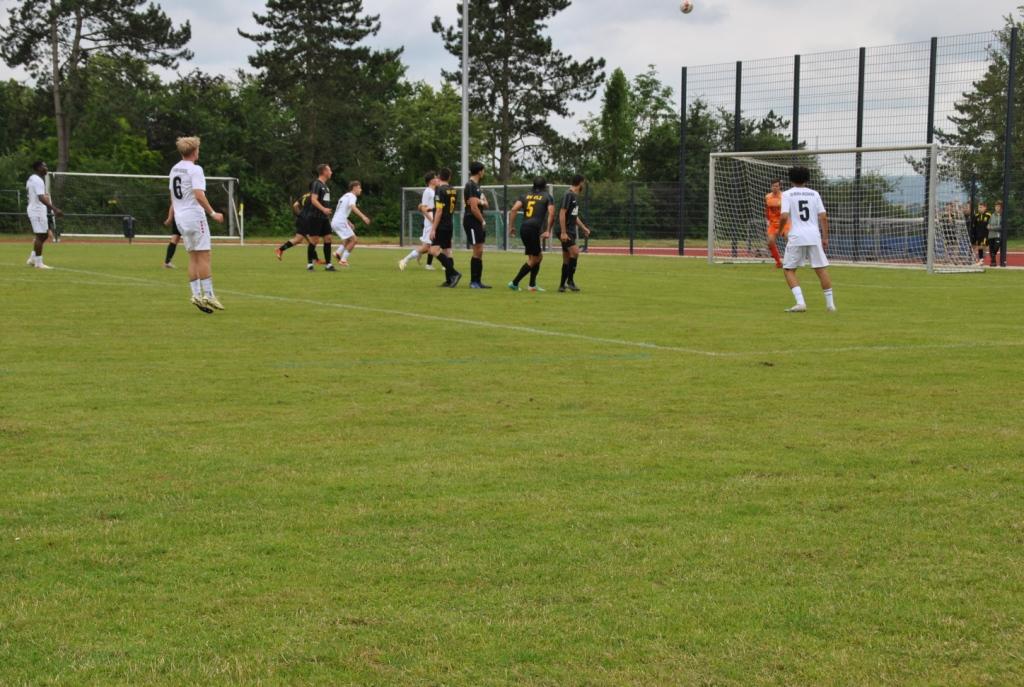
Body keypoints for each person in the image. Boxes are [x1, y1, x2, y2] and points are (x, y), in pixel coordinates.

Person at [169, 136, 224, 313]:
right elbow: (199, 195)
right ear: (195, 151)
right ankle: (209, 294)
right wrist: (213, 213)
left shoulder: (174, 169)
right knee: (204, 255)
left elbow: (172, 195)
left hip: (181, 217)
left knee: (193, 256)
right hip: (194, 216)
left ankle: (196, 294)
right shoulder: (195, 169)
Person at [775, 166, 835, 313]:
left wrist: (780, 230)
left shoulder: (787, 194)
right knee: (821, 269)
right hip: (814, 236)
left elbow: (783, 216)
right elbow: (823, 216)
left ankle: (800, 303)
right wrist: (825, 237)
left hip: (796, 236)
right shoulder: (814, 194)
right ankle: (830, 305)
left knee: (789, 269)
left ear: (790, 179)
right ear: (807, 178)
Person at [507, 177, 555, 292]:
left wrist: (511, 227)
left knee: (535, 256)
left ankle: (532, 285)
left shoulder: (525, 196)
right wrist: (548, 230)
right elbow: (552, 213)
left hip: (524, 228)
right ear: (545, 186)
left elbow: (513, 209)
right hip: (534, 228)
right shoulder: (547, 196)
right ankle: (514, 282)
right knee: (536, 258)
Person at [25, 160, 63, 270]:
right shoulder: (37, 180)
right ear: (38, 168)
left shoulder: (32, 178)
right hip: (36, 210)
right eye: (44, 166)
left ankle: (33, 259)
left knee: (44, 235)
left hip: (38, 210)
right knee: (40, 235)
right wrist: (55, 209)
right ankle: (38, 263)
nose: (46, 168)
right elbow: (41, 198)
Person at [558, 174, 593, 292]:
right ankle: (570, 281)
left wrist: (583, 228)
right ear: (580, 183)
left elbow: (574, 216)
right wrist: (563, 232)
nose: (584, 185)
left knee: (567, 258)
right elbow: (562, 213)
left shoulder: (574, 196)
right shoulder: (569, 195)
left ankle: (562, 285)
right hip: (566, 230)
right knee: (575, 252)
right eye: (583, 183)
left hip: (570, 230)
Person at [428, 167, 462, 287]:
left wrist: (433, 228)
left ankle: (454, 273)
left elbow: (439, 210)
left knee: (433, 250)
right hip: (449, 223)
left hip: (441, 224)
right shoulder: (453, 190)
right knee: (447, 251)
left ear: (438, 177)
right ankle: (449, 280)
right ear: (449, 177)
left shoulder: (439, 190)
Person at [400, 172, 440, 271]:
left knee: (433, 245)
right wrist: (432, 220)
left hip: (433, 221)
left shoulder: (434, 191)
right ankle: (404, 260)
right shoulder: (427, 191)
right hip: (430, 223)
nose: (437, 179)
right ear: (431, 181)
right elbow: (424, 209)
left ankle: (431, 264)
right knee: (426, 247)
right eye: (435, 178)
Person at [301, 164, 334, 271]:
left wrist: (327, 210)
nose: (331, 172)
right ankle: (310, 264)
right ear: (324, 171)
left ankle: (328, 265)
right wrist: (323, 209)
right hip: (315, 217)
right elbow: (313, 200)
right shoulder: (317, 184)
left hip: (324, 218)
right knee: (314, 241)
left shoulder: (326, 186)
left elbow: (325, 201)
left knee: (328, 238)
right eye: (329, 170)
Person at [331, 180, 371, 267]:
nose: (361, 190)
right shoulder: (352, 196)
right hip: (340, 222)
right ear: (354, 188)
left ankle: (338, 253)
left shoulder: (344, 196)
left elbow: (341, 211)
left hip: (335, 221)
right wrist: (363, 217)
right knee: (354, 240)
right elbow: (353, 207)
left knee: (347, 239)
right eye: (359, 188)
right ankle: (343, 260)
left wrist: (349, 222)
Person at [463, 161, 490, 288]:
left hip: (477, 221)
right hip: (472, 220)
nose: (484, 172)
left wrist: (480, 201)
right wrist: (482, 220)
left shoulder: (478, 186)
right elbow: (474, 208)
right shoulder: (470, 186)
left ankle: (478, 281)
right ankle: (473, 282)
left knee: (480, 251)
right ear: (479, 171)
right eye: (483, 170)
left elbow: (486, 203)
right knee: (477, 250)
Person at [275, 192, 312, 261]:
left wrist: (300, 215)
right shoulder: (314, 197)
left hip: (302, 219)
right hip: (305, 220)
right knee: (307, 240)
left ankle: (315, 259)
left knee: (303, 240)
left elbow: (295, 205)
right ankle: (280, 249)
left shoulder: (306, 195)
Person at [764, 179, 790, 268]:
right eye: (773, 186)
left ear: (780, 187)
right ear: (771, 187)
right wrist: (767, 221)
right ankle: (778, 262)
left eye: (777, 186)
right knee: (770, 242)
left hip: (784, 222)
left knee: (789, 239)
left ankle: (791, 261)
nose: (775, 187)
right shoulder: (767, 197)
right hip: (773, 223)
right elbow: (767, 210)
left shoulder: (784, 196)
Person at [163, 204, 183, 268]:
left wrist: (170, 218)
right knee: (192, 238)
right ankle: (197, 261)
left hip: (177, 217)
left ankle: (167, 262)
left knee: (175, 238)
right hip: (187, 217)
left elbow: (173, 204)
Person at [973, 202, 992, 266]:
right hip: (978, 234)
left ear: (985, 208)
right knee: (979, 247)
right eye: (978, 207)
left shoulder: (988, 215)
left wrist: (990, 225)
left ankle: (982, 258)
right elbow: (974, 225)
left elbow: (991, 223)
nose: (979, 209)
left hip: (985, 234)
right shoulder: (976, 216)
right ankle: (981, 260)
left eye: (981, 207)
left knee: (982, 246)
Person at [988, 201, 1004, 267]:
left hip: (997, 235)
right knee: (991, 249)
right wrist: (988, 226)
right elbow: (988, 224)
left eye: (998, 206)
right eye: (996, 206)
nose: (997, 208)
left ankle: (993, 260)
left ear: (1001, 208)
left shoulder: (1002, 216)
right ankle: (993, 262)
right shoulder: (992, 215)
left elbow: (1001, 226)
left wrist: (992, 227)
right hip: (991, 235)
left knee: (996, 247)